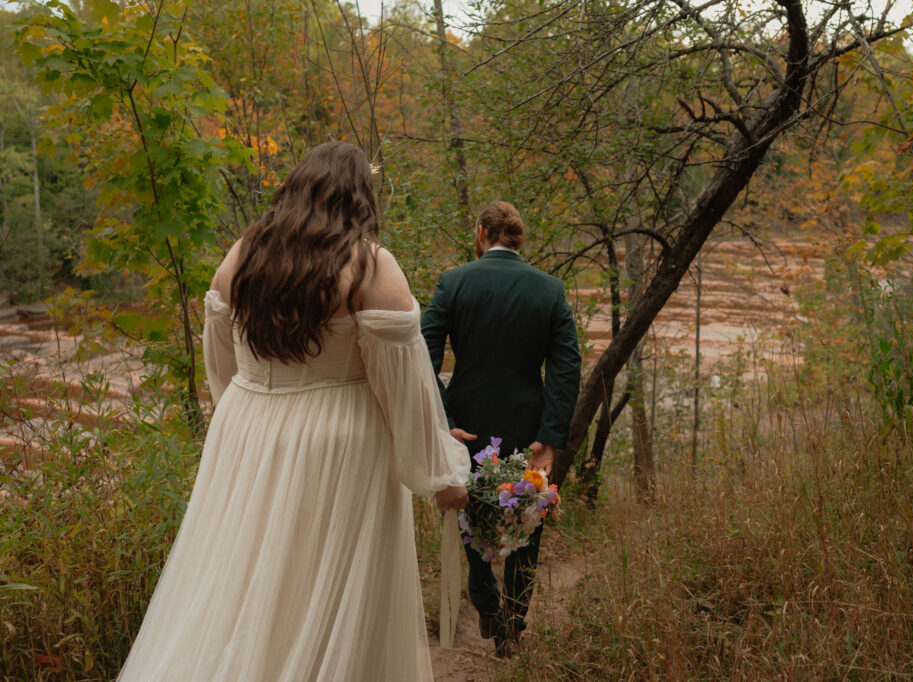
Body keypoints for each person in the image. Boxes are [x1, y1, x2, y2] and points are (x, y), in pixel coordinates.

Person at [118, 142, 470, 681]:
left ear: (294, 189)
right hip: (340, 439)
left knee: (242, 578)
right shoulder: (372, 266)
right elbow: (404, 391)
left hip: (247, 429)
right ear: (360, 198)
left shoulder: (241, 257)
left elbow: (223, 365)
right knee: (327, 584)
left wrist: (251, 409)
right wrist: (441, 473)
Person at [420, 201, 581, 656]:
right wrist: (549, 438)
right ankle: (513, 622)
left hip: (467, 427)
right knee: (527, 523)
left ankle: (485, 600)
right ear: (516, 239)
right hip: (529, 427)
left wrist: (443, 421)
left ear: (481, 232)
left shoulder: (453, 283)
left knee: (470, 509)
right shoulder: (549, 290)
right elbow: (567, 368)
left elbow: (421, 358)